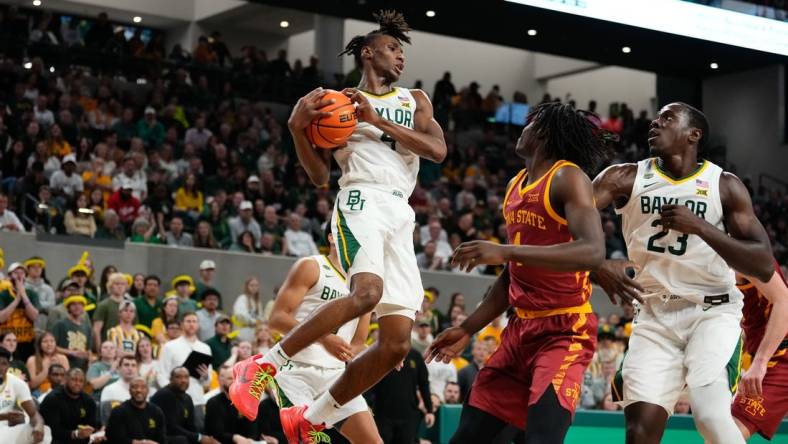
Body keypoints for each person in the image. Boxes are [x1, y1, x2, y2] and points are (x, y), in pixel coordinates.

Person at [232, 12, 447, 440]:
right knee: (366, 293)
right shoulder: (338, 104)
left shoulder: (415, 99)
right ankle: (262, 365)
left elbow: (438, 150)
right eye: (392, 49)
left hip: (401, 211)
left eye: (402, 51)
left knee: (397, 344)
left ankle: (310, 416)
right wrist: (297, 129)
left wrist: (378, 121)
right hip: (361, 197)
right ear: (368, 52)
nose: (400, 58)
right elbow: (318, 177)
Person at [426, 102, 609, 443]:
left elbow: (593, 251)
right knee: (467, 436)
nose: (521, 129)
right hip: (519, 331)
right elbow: (513, 274)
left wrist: (505, 250)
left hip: (564, 330)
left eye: (529, 123)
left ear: (543, 132)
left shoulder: (568, 177)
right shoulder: (515, 186)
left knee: (540, 438)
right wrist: (467, 328)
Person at [592, 102, 774, 444]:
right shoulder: (623, 178)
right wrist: (596, 262)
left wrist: (702, 227)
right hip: (653, 313)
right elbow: (565, 221)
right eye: (655, 118)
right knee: (639, 430)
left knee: (709, 416)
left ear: (694, 135)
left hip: (712, 311)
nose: (654, 124)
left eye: (667, 119)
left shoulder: (725, 186)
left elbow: (763, 262)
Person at [266, 224, 378, 442]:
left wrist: (382, 353)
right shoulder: (311, 266)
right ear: (332, 237)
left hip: (336, 375)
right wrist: (324, 339)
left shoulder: (365, 285)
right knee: (305, 439)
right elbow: (277, 319)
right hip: (295, 369)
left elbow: (357, 342)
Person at [731, 263, 788, 440]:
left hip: (780, 357)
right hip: (762, 351)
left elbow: (785, 303)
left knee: (730, 432)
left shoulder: (745, 258)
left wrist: (760, 363)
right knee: (720, 432)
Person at [157, 312, 212, 432]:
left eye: (194, 321)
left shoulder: (205, 348)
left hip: (196, 398)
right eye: (188, 321)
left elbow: (208, 380)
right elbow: (162, 373)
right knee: (175, 432)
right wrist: (170, 394)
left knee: (198, 431)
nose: (191, 324)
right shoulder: (170, 346)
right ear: (182, 324)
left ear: (198, 325)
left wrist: (205, 376)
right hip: (174, 399)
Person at [366, 347, 433, 444]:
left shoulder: (415, 355)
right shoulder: (378, 354)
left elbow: (424, 383)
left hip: (408, 415)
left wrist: (429, 409)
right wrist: (367, 406)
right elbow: (369, 383)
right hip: (382, 415)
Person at [206, 366, 279, 444]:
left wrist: (250, 440)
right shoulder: (214, 403)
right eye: (230, 378)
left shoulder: (249, 401)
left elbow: (253, 430)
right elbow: (216, 433)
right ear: (222, 381)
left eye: (237, 378)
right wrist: (234, 437)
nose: (234, 381)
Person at [150, 367, 219, 444]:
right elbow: (171, 427)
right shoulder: (164, 395)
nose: (183, 380)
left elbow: (191, 426)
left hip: (179, 435)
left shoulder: (187, 398)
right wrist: (198, 437)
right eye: (178, 377)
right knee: (183, 440)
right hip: (159, 437)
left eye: (186, 377)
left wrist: (202, 437)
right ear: (170, 379)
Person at [0, 347, 50, 443]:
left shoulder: (17, 383)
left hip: (3, 431)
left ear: (8, 366)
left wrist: (38, 426)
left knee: (44, 433)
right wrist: (4, 416)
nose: (0, 368)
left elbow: (34, 414)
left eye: (4, 364)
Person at [40, 368, 104, 444]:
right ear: (65, 380)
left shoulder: (88, 401)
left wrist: (96, 434)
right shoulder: (53, 399)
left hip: (81, 440)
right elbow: (52, 430)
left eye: (81, 381)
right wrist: (75, 434)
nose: (77, 383)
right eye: (74, 380)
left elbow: (92, 425)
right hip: (56, 440)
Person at [106, 377, 167, 444]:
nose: (139, 390)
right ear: (129, 390)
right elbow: (114, 438)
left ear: (148, 390)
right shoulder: (119, 411)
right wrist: (142, 443)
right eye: (134, 387)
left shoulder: (156, 411)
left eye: (143, 387)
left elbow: (162, 438)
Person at [0, 263, 41, 361]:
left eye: (22, 273)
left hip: (26, 343)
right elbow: (1, 318)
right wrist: (17, 299)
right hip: (5, 342)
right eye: (16, 272)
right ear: (9, 276)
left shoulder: (32, 294)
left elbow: (34, 316)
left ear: (26, 276)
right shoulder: (3, 295)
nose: (19, 275)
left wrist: (23, 294)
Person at [52, 295, 92, 370]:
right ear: (68, 308)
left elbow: (88, 349)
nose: (77, 307)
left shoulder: (87, 327)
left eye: (80, 304)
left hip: (82, 367)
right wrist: (71, 352)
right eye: (73, 304)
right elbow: (52, 347)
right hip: (64, 366)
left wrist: (89, 359)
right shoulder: (60, 324)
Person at [93, 272, 131, 351]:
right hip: (108, 348)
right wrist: (99, 350)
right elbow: (96, 330)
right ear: (110, 286)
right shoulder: (103, 305)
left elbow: (133, 327)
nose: (120, 286)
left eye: (123, 284)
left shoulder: (130, 305)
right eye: (117, 284)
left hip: (126, 347)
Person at [100, 355, 138, 425]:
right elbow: (105, 419)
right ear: (119, 368)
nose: (130, 368)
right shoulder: (109, 390)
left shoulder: (142, 392)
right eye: (126, 365)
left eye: (133, 365)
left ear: (137, 369)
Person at [23, 257, 54, 332]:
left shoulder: (48, 288)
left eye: (39, 267)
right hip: (25, 325)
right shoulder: (22, 287)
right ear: (27, 269)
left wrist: (32, 304)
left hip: (43, 325)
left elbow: (51, 306)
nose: (37, 269)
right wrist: (42, 306)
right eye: (33, 267)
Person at [232, 277, 263, 343]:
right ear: (247, 286)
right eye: (252, 285)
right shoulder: (242, 298)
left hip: (253, 333)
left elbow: (259, 317)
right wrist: (253, 321)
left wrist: (261, 320)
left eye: (256, 285)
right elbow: (240, 315)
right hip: (242, 333)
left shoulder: (257, 302)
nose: (254, 287)